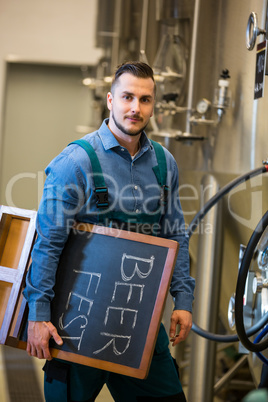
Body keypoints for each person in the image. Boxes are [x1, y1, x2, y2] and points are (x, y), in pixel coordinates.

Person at [23, 61, 195, 401]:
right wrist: (38, 315)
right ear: (110, 100)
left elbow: (174, 234)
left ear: (153, 105)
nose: (136, 108)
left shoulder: (164, 163)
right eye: (127, 97)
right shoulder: (76, 162)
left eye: (145, 99)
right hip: (75, 324)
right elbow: (49, 243)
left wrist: (183, 299)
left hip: (140, 323)